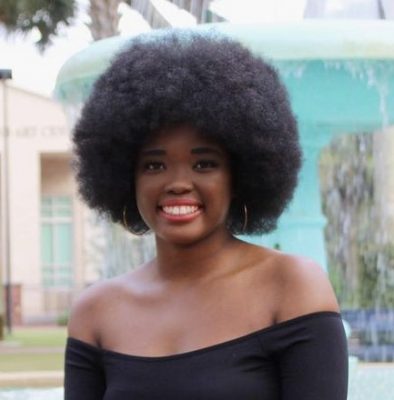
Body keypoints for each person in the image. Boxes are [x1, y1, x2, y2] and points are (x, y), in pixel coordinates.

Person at [65, 29, 348, 400]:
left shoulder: (291, 286)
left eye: (204, 163)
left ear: (239, 173)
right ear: (125, 177)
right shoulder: (96, 312)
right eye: (154, 166)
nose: (178, 183)